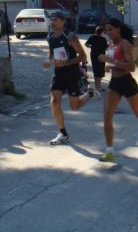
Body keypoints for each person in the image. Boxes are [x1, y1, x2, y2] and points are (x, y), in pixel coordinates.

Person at [97, 18, 138, 162]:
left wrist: (111, 62)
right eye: (106, 30)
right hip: (114, 83)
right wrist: (110, 67)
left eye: (110, 30)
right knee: (107, 115)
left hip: (127, 82)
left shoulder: (125, 44)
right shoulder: (111, 44)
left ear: (118, 29)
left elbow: (131, 67)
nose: (108, 33)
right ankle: (109, 151)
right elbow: (116, 63)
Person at [43, 12, 100, 146]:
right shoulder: (50, 36)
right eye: (51, 20)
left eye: (56, 20)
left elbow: (83, 57)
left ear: (63, 22)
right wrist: (48, 60)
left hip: (72, 73)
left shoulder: (70, 36)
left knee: (74, 107)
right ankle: (63, 133)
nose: (53, 22)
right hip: (58, 74)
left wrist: (66, 62)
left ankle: (90, 93)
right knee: (54, 101)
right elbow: (51, 52)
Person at [85, 26, 108, 91]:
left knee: (95, 69)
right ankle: (99, 86)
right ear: (102, 32)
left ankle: (96, 85)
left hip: (93, 55)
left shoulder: (92, 37)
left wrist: (92, 47)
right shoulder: (103, 39)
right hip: (101, 56)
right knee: (100, 70)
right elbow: (106, 48)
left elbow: (86, 44)